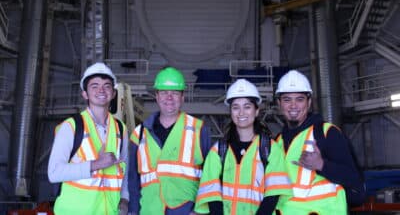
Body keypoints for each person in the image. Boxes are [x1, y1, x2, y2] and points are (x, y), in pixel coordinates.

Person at [194, 79, 291, 215]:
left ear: (256, 111)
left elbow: (273, 195)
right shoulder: (219, 150)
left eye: (247, 106)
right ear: (231, 111)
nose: (241, 113)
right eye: (235, 107)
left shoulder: (269, 149)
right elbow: (211, 194)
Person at [273, 69, 364, 214]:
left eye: (299, 99)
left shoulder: (327, 133)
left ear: (309, 103)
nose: (293, 105)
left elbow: (355, 182)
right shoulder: (276, 142)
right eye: (287, 99)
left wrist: (322, 165)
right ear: (279, 103)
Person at [128, 67, 212, 214]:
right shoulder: (139, 134)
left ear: (182, 97)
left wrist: (200, 211)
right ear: (157, 96)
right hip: (150, 210)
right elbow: (133, 182)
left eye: (175, 93)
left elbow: (210, 176)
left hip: (185, 210)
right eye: (164, 92)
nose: (169, 98)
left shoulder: (199, 129)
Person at [48, 62, 129, 215]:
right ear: (84, 94)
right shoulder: (71, 127)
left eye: (107, 86)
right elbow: (54, 173)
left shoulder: (120, 128)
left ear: (113, 93)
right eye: (94, 86)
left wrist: (125, 200)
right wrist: (96, 164)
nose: (101, 90)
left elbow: (125, 169)